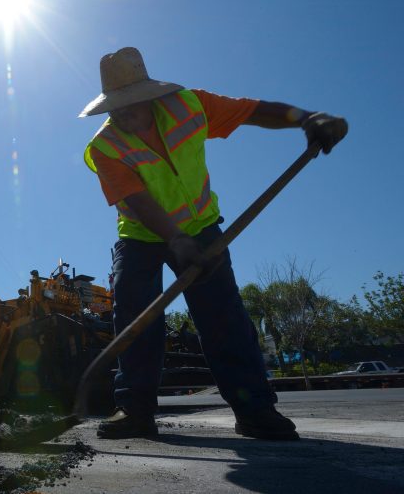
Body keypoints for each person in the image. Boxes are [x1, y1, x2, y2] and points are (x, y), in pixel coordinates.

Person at [80, 47, 347, 440]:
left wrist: (306, 118)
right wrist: (175, 239)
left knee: (223, 316)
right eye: (113, 109)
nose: (119, 115)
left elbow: (253, 110)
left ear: (151, 97)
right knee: (136, 315)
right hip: (141, 235)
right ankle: (134, 410)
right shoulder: (105, 147)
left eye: (128, 106)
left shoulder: (188, 106)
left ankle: (254, 410)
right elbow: (136, 201)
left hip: (202, 226)